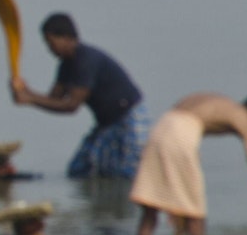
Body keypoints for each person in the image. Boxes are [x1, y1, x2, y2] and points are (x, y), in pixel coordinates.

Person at [131, 88, 247, 235]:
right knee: (196, 218)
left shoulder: (223, 103)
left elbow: (182, 123)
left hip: (161, 128)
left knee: (150, 210)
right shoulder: (243, 120)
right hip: (181, 134)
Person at [10, 12, 148, 178]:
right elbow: (54, 99)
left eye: (51, 42)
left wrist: (30, 99)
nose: (49, 49)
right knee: (79, 170)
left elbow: (71, 106)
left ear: (67, 38)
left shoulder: (85, 60)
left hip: (129, 119)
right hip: (106, 124)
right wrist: (26, 91)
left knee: (127, 175)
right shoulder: (65, 65)